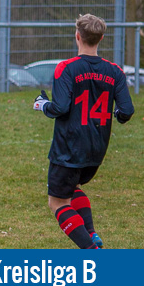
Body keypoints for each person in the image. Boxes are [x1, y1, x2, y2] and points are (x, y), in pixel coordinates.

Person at [33, 14, 134, 249]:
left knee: (57, 202)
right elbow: (126, 111)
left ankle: (91, 251)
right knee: (72, 189)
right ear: (101, 38)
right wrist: (116, 115)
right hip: (96, 150)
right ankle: (92, 235)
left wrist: (42, 105)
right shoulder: (115, 71)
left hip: (69, 147)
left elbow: (59, 107)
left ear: (77, 36)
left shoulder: (67, 68)